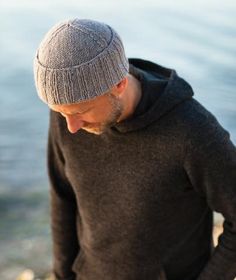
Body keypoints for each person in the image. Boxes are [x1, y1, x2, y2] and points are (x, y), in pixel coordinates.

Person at [33, 18, 236, 280]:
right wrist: (63, 275)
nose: (71, 127)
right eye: (60, 112)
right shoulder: (69, 115)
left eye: (80, 112)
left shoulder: (193, 132)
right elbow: (62, 196)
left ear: (119, 84)